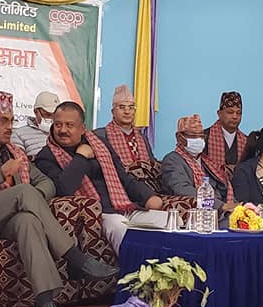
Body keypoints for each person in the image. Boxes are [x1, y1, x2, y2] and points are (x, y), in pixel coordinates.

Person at [0, 91, 119, 307]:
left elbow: (46, 183)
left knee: (28, 221)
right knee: (24, 192)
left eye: (11, 121)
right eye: (3, 121)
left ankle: (44, 301)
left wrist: (34, 199)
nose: (10, 127)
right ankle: (74, 258)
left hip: (10, 216)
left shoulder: (14, 152)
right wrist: (0, 173)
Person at [35, 101, 169, 251]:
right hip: (98, 214)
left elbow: (123, 177)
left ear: (82, 128)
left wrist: (148, 196)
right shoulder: (46, 156)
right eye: (58, 125)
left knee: (167, 221)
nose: (62, 130)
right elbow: (63, 189)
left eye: (69, 125)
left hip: (124, 206)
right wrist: (81, 157)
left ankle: (168, 265)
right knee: (120, 227)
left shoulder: (100, 144)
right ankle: (137, 266)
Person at [160, 114, 231, 208]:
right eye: (193, 136)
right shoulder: (172, 160)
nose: (198, 140)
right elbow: (182, 189)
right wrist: (221, 205)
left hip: (218, 206)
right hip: (192, 210)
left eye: (201, 136)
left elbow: (220, 187)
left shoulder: (206, 161)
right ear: (179, 137)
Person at [93, 84, 153, 169]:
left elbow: (151, 163)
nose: (127, 112)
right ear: (113, 112)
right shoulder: (101, 136)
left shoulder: (142, 137)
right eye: (122, 107)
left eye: (131, 108)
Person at [203, 91, 246, 201]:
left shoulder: (246, 141)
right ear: (219, 113)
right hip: (212, 193)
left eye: (239, 113)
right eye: (230, 112)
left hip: (239, 194)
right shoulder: (204, 137)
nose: (235, 116)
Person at [11, 90, 59, 158]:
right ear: (36, 112)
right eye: (47, 114)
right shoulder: (18, 134)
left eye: (55, 116)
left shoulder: (62, 133)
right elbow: (19, 160)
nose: (51, 119)